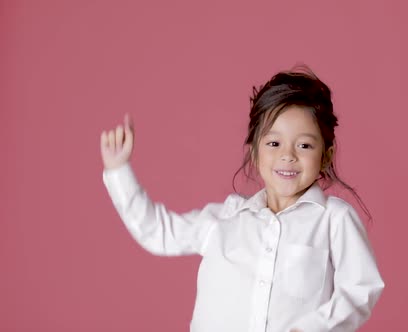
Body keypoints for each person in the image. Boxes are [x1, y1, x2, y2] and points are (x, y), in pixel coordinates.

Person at [100, 66, 384, 332]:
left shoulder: (334, 219)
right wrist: (118, 171)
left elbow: (360, 289)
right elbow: (158, 233)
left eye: (305, 145)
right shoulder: (226, 218)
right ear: (254, 151)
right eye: (274, 143)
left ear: (326, 156)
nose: (288, 155)